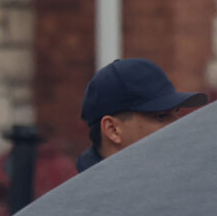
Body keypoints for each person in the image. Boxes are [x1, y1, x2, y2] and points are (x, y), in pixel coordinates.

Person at [75, 59, 208, 172]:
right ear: (113, 129)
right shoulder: (84, 200)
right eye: (161, 116)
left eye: (177, 113)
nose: (178, 125)